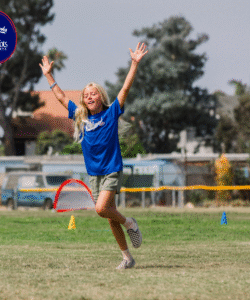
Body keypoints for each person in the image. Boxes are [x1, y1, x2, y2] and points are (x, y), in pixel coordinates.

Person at [39, 42, 148, 269]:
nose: (89, 96)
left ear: (101, 97)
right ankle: (127, 258)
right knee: (109, 215)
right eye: (86, 94)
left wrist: (134, 64)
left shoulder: (111, 112)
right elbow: (59, 97)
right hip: (94, 172)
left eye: (93, 93)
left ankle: (130, 223)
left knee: (101, 209)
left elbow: (125, 89)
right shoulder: (80, 116)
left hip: (111, 168)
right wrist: (49, 76)